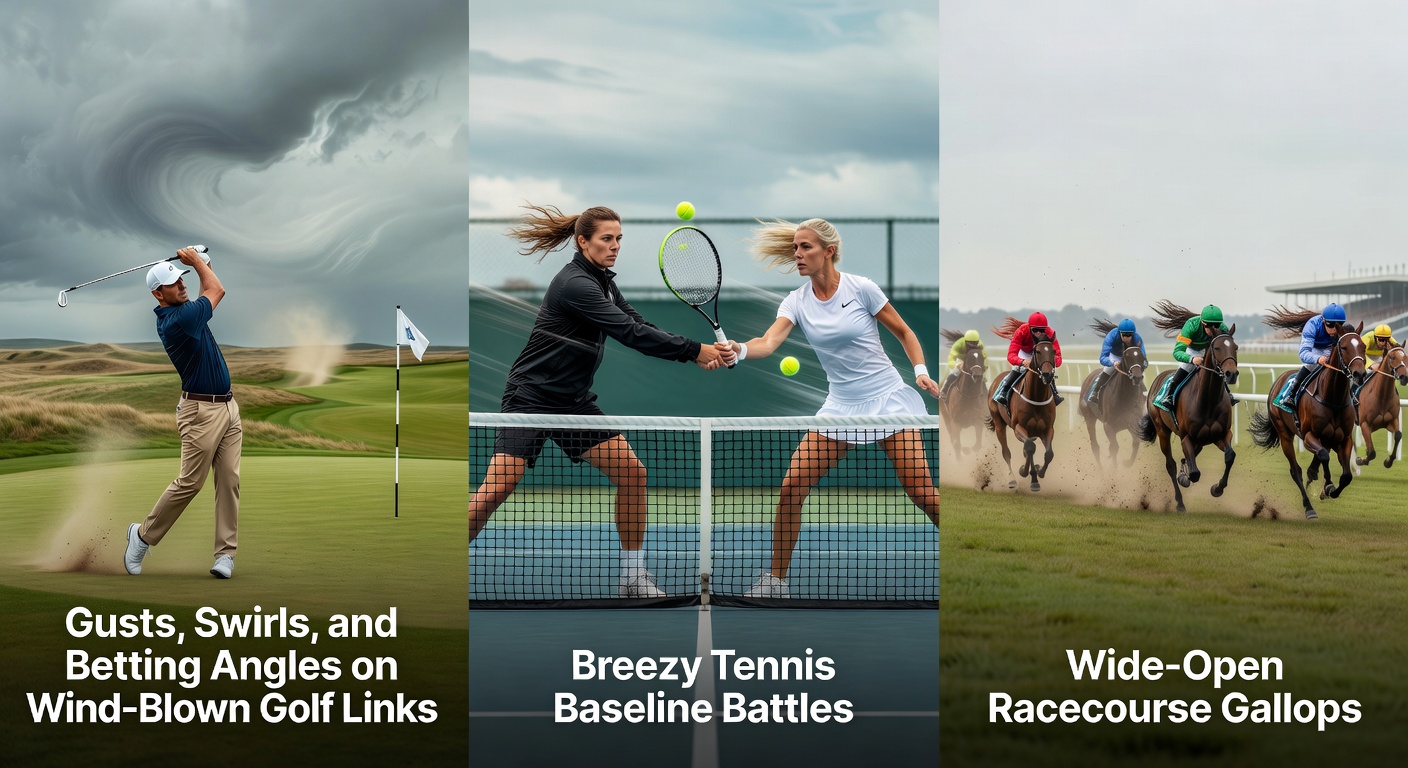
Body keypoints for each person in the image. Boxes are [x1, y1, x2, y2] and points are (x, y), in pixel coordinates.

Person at [467, 204, 727, 598]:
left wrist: (698, 351)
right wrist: (694, 350)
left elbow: (640, 324)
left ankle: (632, 578)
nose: (615, 245)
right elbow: (628, 333)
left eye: (619, 238)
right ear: (582, 240)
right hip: (531, 397)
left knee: (632, 474)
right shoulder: (575, 284)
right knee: (496, 490)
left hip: (573, 401)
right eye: (607, 238)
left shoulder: (603, 281)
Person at [713, 218, 939, 599]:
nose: (797, 255)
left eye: (805, 248)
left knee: (920, 492)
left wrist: (919, 371)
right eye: (796, 248)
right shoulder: (796, 301)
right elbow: (769, 341)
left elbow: (904, 331)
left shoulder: (861, 288)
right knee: (791, 487)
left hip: (887, 399)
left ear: (828, 251)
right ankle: (775, 582)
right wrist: (741, 349)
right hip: (840, 406)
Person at [123, 247, 241, 579]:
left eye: (181, 279)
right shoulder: (177, 321)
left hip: (229, 408)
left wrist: (201, 261)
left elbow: (206, 284)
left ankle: (225, 555)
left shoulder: (186, 309)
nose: (181, 285)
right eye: (173, 284)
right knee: (191, 482)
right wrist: (198, 261)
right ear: (158, 294)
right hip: (200, 411)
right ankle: (142, 535)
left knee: (229, 480)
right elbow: (216, 289)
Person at [1158, 304, 1231, 410]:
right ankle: (1169, 395)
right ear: (1202, 322)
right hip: (1191, 350)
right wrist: (1191, 359)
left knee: (1218, 369)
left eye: (1216, 325)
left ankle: (1228, 394)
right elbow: (1177, 352)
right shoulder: (1191, 325)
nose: (1213, 329)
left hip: (1209, 350)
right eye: (1209, 326)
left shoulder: (1223, 328)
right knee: (1188, 367)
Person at [1275, 303, 1347, 409]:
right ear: (1323, 320)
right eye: (1330, 325)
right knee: (1313, 365)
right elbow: (1303, 353)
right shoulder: (1312, 325)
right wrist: (1317, 358)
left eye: (1337, 325)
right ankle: (1291, 393)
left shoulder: (1340, 330)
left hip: (1330, 348)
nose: (1334, 330)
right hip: (1313, 347)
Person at [992, 311, 1064, 407]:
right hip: (1024, 354)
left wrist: (1048, 362)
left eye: (1042, 330)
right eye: (1035, 330)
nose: (1038, 333)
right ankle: (1003, 392)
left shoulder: (1050, 333)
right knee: (1017, 369)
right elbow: (1011, 355)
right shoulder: (1021, 331)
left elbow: (1058, 357)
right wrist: (1022, 361)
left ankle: (1055, 394)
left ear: (1045, 329)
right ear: (1030, 328)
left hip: (1041, 354)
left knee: (1049, 371)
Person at [1086, 318, 1146, 407]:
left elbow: (1142, 356)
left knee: (1137, 374)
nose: (1126, 337)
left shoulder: (1137, 339)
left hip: (1130, 357)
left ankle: (1143, 395)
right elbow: (1103, 358)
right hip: (1115, 356)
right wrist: (1112, 363)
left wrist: (1141, 366)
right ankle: (1095, 392)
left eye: (1129, 335)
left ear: (1133, 334)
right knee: (1108, 370)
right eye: (1124, 335)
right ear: (1119, 332)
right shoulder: (1112, 336)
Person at [939, 329, 985, 403]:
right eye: (970, 343)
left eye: (975, 343)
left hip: (973, 361)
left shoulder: (980, 344)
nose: (973, 345)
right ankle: (944, 391)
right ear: (965, 341)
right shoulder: (959, 344)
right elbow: (952, 356)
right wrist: (955, 365)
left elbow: (983, 356)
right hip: (961, 360)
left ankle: (985, 395)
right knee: (954, 373)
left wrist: (984, 366)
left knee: (982, 376)